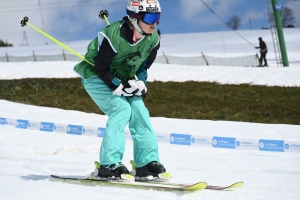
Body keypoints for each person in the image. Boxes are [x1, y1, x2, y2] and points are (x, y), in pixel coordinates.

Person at [73, 0, 167, 180]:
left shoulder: (153, 40)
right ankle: (109, 164)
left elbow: (142, 66)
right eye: (150, 17)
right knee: (122, 109)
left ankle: (146, 163)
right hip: (96, 76)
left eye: (157, 18)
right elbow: (101, 67)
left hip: (124, 77)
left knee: (140, 111)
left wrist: (140, 82)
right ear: (134, 17)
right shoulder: (114, 35)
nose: (154, 23)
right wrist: (116, 85)